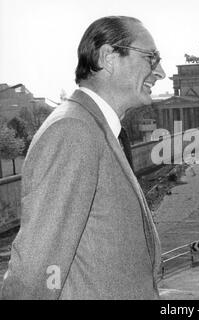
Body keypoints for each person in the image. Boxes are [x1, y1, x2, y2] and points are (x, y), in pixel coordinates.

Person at [1, 16, 165, 299]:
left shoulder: (95, 129)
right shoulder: (73, 131)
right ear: (108, 58)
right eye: (151, 57)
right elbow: (39, 269)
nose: (160, 71)